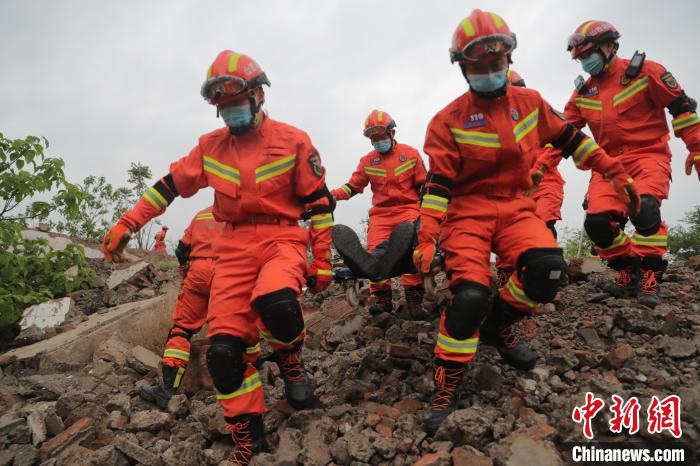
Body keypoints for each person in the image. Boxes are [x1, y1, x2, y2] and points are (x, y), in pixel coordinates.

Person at [411, 10, 639, 435]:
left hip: (517, 207)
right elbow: (438, 186)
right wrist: (426, 238)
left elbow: (573, 142)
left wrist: (615, 172)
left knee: (548, 268)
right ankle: (446, 386)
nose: (490, 73)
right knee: (469, 298)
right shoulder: (446, 121)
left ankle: (500, 325)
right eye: (480, 67)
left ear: (510, 60)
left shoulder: (530, 103)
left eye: (497, 64)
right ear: (463, 67)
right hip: (467, 213)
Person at [101, 50, 335, 464]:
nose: (231, 114)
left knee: (277, 302)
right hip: (233, 248)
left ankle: (291, 361)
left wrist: (323, 259)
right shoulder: (210, 148)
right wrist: (127, 224)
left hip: (282, 239)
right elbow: (167, 187)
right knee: (224, 353)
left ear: (259, 96)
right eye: (223, 108)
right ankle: (251, 442)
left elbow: (319, 203)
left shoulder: (293, 140)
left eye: (237, 105)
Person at [564, 20, 700, 307]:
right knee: (598, 224)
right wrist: (534, 167)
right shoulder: (581, 95)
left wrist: (696, 149)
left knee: (645, 208)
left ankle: (650, 276)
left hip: (648, 156)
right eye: (580, 58)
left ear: (609, 46)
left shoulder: (647, 72)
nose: (584, 62)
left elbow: (682, 109)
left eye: (588, 54)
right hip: (608, 165)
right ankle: (628, 273)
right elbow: (560, 136)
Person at [139, 206, 252, 407]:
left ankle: (167, 390)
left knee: (182, 329)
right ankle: (242, 383)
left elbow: (181, 249)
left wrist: (186, 271)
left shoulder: (201, 215)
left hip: (198, 272)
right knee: (235, 328)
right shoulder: (240, 213)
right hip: (228, 272)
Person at [331, 110, 428, 317]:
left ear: (392, 133)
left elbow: (424, 185)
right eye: (373, 137)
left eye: (380, 136)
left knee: (412, 251)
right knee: (374, 254)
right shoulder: (367, 161)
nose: (377, 140)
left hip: (408, 210)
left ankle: (414, 301)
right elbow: (353, 186)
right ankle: (383, 300)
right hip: (381, 215)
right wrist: (331, 196)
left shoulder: (410, 154)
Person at [495, 70, 565, 288]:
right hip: (514, 189)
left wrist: (540, 167)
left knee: (542, 224)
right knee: (504, 229)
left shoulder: (539, 114)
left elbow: (561, 141)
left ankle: (552, 274)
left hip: (545, 181)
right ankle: (507, 274)